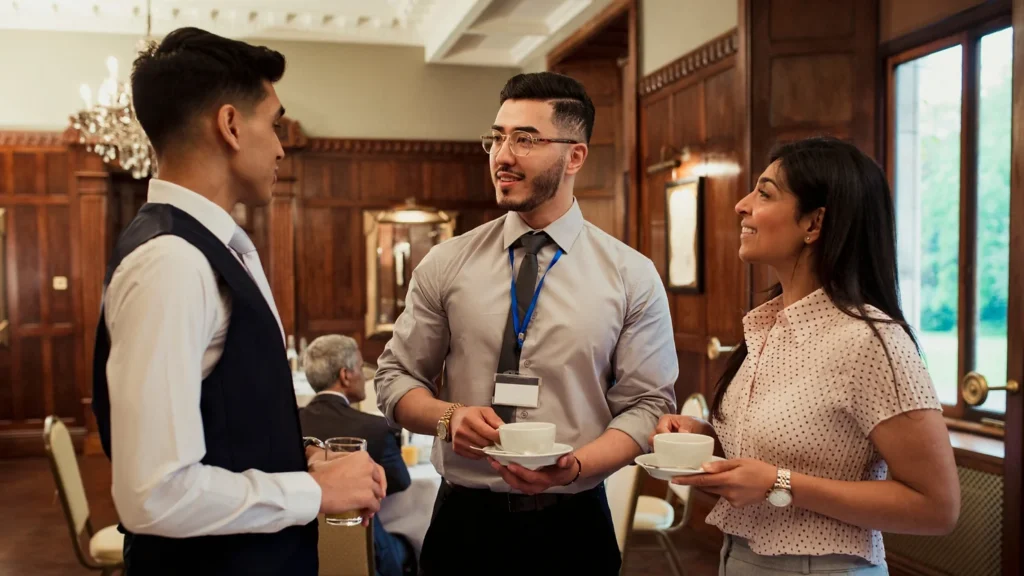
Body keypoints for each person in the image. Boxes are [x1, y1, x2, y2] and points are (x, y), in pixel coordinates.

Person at [91, 27, 385, 575]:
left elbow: (219, 424)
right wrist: (311, 493)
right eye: (272, 125)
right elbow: (153, 494)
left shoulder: (207, 248)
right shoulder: (173, 263)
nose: (279, 146)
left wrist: (300, 461)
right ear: (229, 125)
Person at [373, 71, 679, 576]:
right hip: (464, 523)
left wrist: (575, 467)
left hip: (574, 527)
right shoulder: (446, 263)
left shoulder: (630, 275)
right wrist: (449, 417)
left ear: (575, 156)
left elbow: (648, 404)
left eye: (524, 139)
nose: (502, 155)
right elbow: (394, 378)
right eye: (496, 137)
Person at [652, 137, 960, 575]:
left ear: (814, 223)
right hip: (738, 556)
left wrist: (780, 484)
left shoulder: (870, 341)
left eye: (764, 193)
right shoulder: (768, 325)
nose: (742, 205)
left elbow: (937, 506)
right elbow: (787, 450)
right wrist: (702, 436)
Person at [298, 335, 415, 576]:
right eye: (361, 367)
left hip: (303, 548)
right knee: (414, 542)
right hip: (368, 539)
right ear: (345, 375)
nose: (365, 375)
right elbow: (402, 482)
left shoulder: (291, 423)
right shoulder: (377, 429)